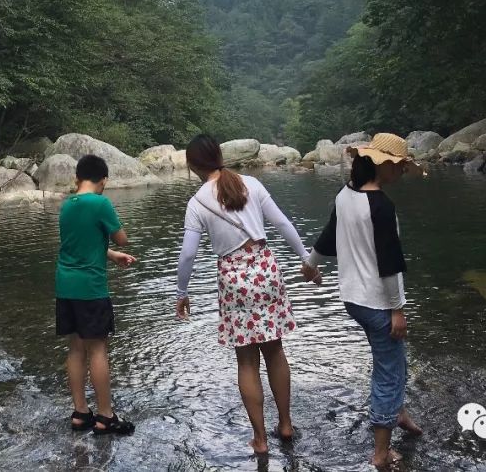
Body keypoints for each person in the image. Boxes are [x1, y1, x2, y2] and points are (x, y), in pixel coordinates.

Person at [175, 134, 318, 456]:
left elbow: (187, 256)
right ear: (219, 156)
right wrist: (306, 262)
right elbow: (283, 223)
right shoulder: (251, 184)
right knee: (275, 351)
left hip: (234, 278)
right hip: (266, 269)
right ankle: (285, 424)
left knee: (247, 361)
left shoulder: (197, 202)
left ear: (192, 165)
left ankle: (260, 440)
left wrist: (181, 293)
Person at [302, 132, 421, 471]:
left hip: (353, 299)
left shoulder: (346, 194)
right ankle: (381, 452)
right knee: (388, 370)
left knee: (392, 360)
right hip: (379, 302)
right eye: (397, 167)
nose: (400, 173)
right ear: (382, 165)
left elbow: (329, 233)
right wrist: (398, 310)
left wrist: (311, 263)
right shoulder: (381, 205)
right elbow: (390, 262)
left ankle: (399, 413)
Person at [56, 154, 136, 436]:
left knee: (76, 347)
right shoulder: (100, 202)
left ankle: (80, 413)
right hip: (91, 287)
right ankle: (105, 416)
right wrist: (118, 245)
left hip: (66, 287)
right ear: (103, 180)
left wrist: (111, 256)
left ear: (77, 179)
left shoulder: (66, 206)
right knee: (98, 348)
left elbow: (79, 244)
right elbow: (122, 237)